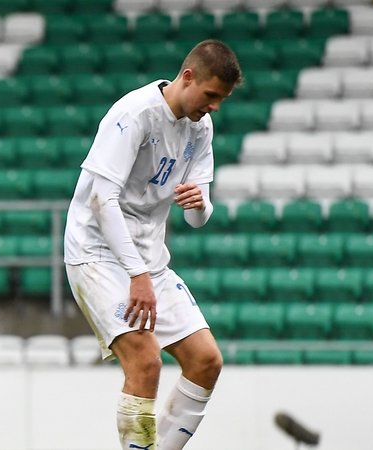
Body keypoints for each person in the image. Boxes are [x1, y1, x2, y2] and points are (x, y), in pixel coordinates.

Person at [63, 40, 241, 450]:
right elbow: (100, 200)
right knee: (145, 360)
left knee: (206, 361)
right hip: (97, 254)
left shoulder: (201, 127)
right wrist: (137, 275)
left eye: (222, 100)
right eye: (211, 95)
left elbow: (198, 218)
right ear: (188, 76)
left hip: (148, 259)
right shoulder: (134, 113)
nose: (214, 106)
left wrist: (200, 204)